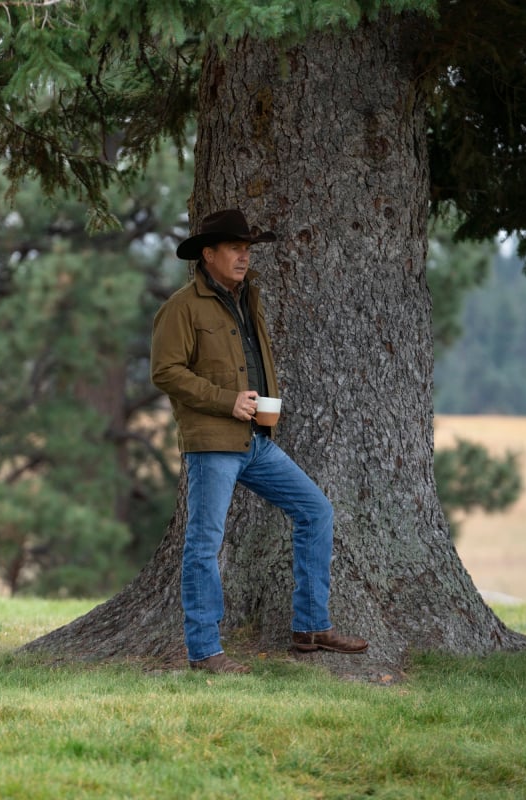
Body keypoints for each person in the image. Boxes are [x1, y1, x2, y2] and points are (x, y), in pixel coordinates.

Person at [151, 208, 368, 675]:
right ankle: (205, 652)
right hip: (213, 442)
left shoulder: (250, 299)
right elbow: (165, 372)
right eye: (234, 248)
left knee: (315, 511)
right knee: (203, 545)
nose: (244, 256)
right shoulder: (181, 307)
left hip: (256, 440)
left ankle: (310, 627)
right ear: (207, 255)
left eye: (247, 249)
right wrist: (225, 400)